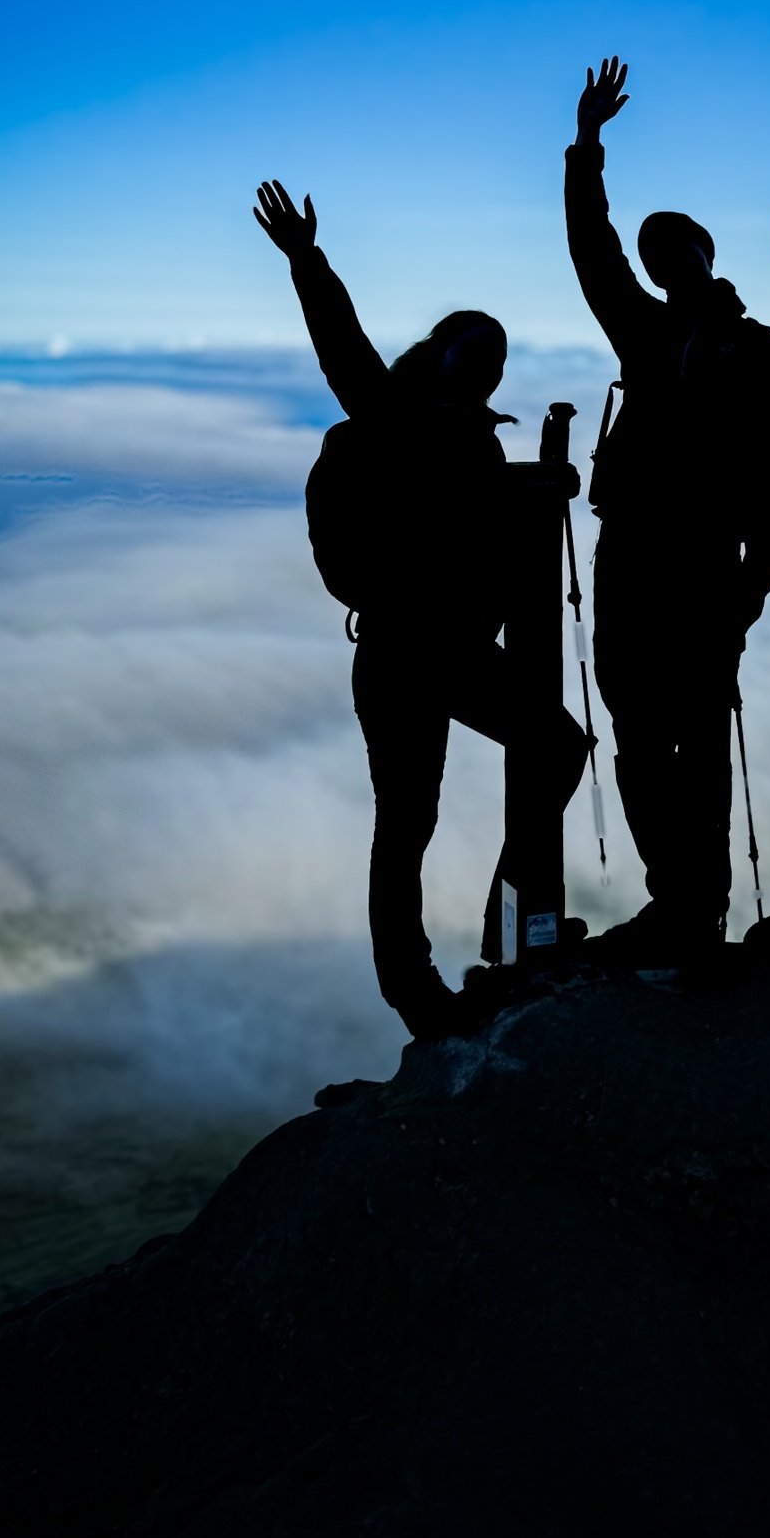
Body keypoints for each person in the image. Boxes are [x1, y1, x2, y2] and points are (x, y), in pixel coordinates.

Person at [253, 180, 588, 1040]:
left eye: (496, 357)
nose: (490, 365)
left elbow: (477, 517)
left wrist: (540, 484)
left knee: (540, 754)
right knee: (412, 817)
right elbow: (341, 343)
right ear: (441, 356)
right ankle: (415, 985)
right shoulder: (390, 414)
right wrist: (306, 259)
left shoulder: (474, 437)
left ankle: (503, 931)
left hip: (445, 649)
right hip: (409, 650)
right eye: (479, 352)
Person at [564, 60, 770, 966]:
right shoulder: (650, 328)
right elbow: (593, 248)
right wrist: (587, 148)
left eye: (675, 249)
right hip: (650, 554)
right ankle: (682, 901)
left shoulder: (750, 351)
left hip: (697, 558)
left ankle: (694, 911)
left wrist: (754, 579)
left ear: (705, 256)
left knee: (688, 737)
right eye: (657, 252)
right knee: (644, 730)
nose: (662, 260)